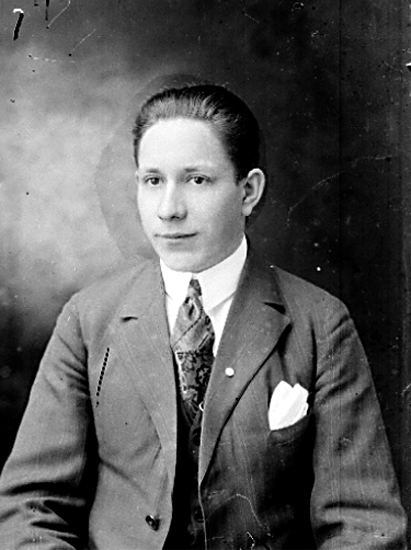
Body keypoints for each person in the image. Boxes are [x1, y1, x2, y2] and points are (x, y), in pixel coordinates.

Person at [0, 83, 407, 550]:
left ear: (248, 191)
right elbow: (29, 507)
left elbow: (364, 525)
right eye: (153, 181)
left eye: (197, 180)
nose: (169, 210)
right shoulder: (88, 319)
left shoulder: (320, 324)